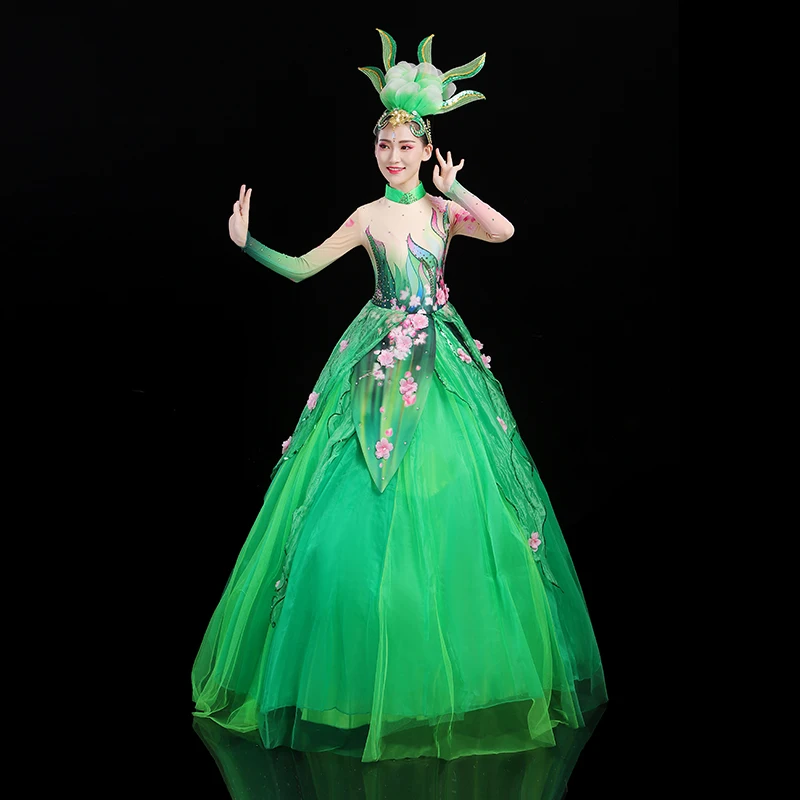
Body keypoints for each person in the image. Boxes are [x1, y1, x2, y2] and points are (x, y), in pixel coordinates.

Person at [192, 30, 608, 764]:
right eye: (385, 146)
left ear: (426, 149)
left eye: (406, 146)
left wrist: (458, 191)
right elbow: (301, 269)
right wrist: (247, 243)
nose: (394, 157)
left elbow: (504, 231)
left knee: (461, 507)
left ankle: (450, 682)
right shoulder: (367, 217)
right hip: (379, 358)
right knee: (347, 511)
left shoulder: (443, 214)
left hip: (439, 363)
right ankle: (360, 679)